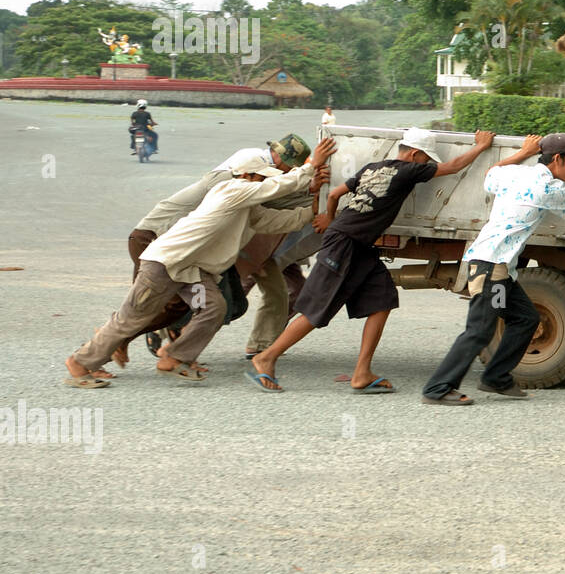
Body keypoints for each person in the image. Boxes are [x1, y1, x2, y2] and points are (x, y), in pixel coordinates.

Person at [64, 139, 336, 388]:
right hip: (165, 263)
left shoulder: (245, 206)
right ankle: (80, 363)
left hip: (190, 270)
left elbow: (278, 222)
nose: (263, 183)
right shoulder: (232, 189)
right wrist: (309, 169)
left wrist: (314, 208)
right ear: (246, 176)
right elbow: (275, 188)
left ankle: (174, 357)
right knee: (131, 318)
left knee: (214, 307)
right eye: (260, 178)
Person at [249, 128, 497, 394]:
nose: (428, 164)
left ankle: (362, 373)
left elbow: (334, 195)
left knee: (382, 300)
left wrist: (330, 219)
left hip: (359, 244)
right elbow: (453, 167)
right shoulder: (408, 170)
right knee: (316, 310)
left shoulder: (373, 168)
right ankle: (266, 357)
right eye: (426, 159)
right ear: (414, 154)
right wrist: (480, 147)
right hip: (345, 243)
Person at [421, 132, 565, 407]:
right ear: (557, 159)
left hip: (498, 269)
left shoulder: (515, 174)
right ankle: (438, 388)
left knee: (524, 318)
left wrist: (522, 152)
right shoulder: (548, 189)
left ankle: (496, 377)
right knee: (479, 330)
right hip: (490, 268)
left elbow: (492, 172)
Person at [117, 135, 315, 365]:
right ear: (282, 161)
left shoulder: (257, 174)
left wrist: (316, 191)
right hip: (158, 240)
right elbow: (273, 194)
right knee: (164, 306)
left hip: (192, 250)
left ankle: (170, 347)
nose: (285, 173)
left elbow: (276, 206)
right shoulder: (240, 174)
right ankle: (112, 347)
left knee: (218, 306)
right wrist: (308, 176)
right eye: (290, 168)